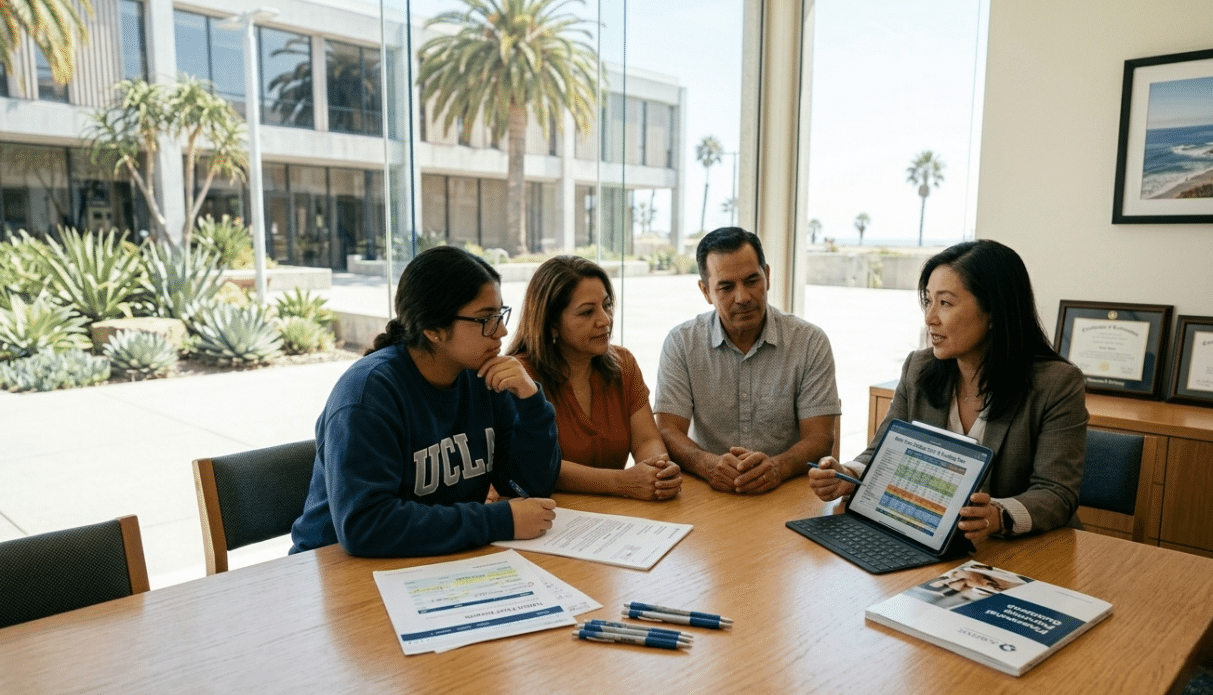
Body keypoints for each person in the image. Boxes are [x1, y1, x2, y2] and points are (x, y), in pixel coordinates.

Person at [290, 245, 560, 557]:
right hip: (335, 568)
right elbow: (366, 525)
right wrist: (498, 520)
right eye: (486, 318)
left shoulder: (482, 376)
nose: (501, 331)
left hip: (430, 557)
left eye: (500, 314)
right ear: (433, 329)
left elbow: (526, 489)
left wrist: (531, 403)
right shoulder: (368, 394)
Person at [809, 239, 1087, 542]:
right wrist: (849, 475)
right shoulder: (918, 368)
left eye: (945, 303)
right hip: (931, 539)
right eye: (928, 301)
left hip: (1026, 549)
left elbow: (1057, 492)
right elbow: (882, 451)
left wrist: (997, 515)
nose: (930, 318)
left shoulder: (1057, 384)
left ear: (994, 310)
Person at [654, 226, 841, 494]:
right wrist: (708, 464)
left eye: (752, 281)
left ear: (767, 276)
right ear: (706, 291)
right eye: (726, 287)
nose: (742, 297)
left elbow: (821, 437)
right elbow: (668, 431)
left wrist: (779, 467)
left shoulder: (810, 341)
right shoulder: (682, 343)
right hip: (707, 493)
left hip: (785, 492)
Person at [507, 256, 682, 500]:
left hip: (616, 515)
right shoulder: (519, 377)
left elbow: (646, 439)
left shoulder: (624, 363)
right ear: (551, 324)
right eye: (587, 312)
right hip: (552, 519)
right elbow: (539, 465)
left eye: (607, 305)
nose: (605, 320)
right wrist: (623, 483)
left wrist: (659, 469)